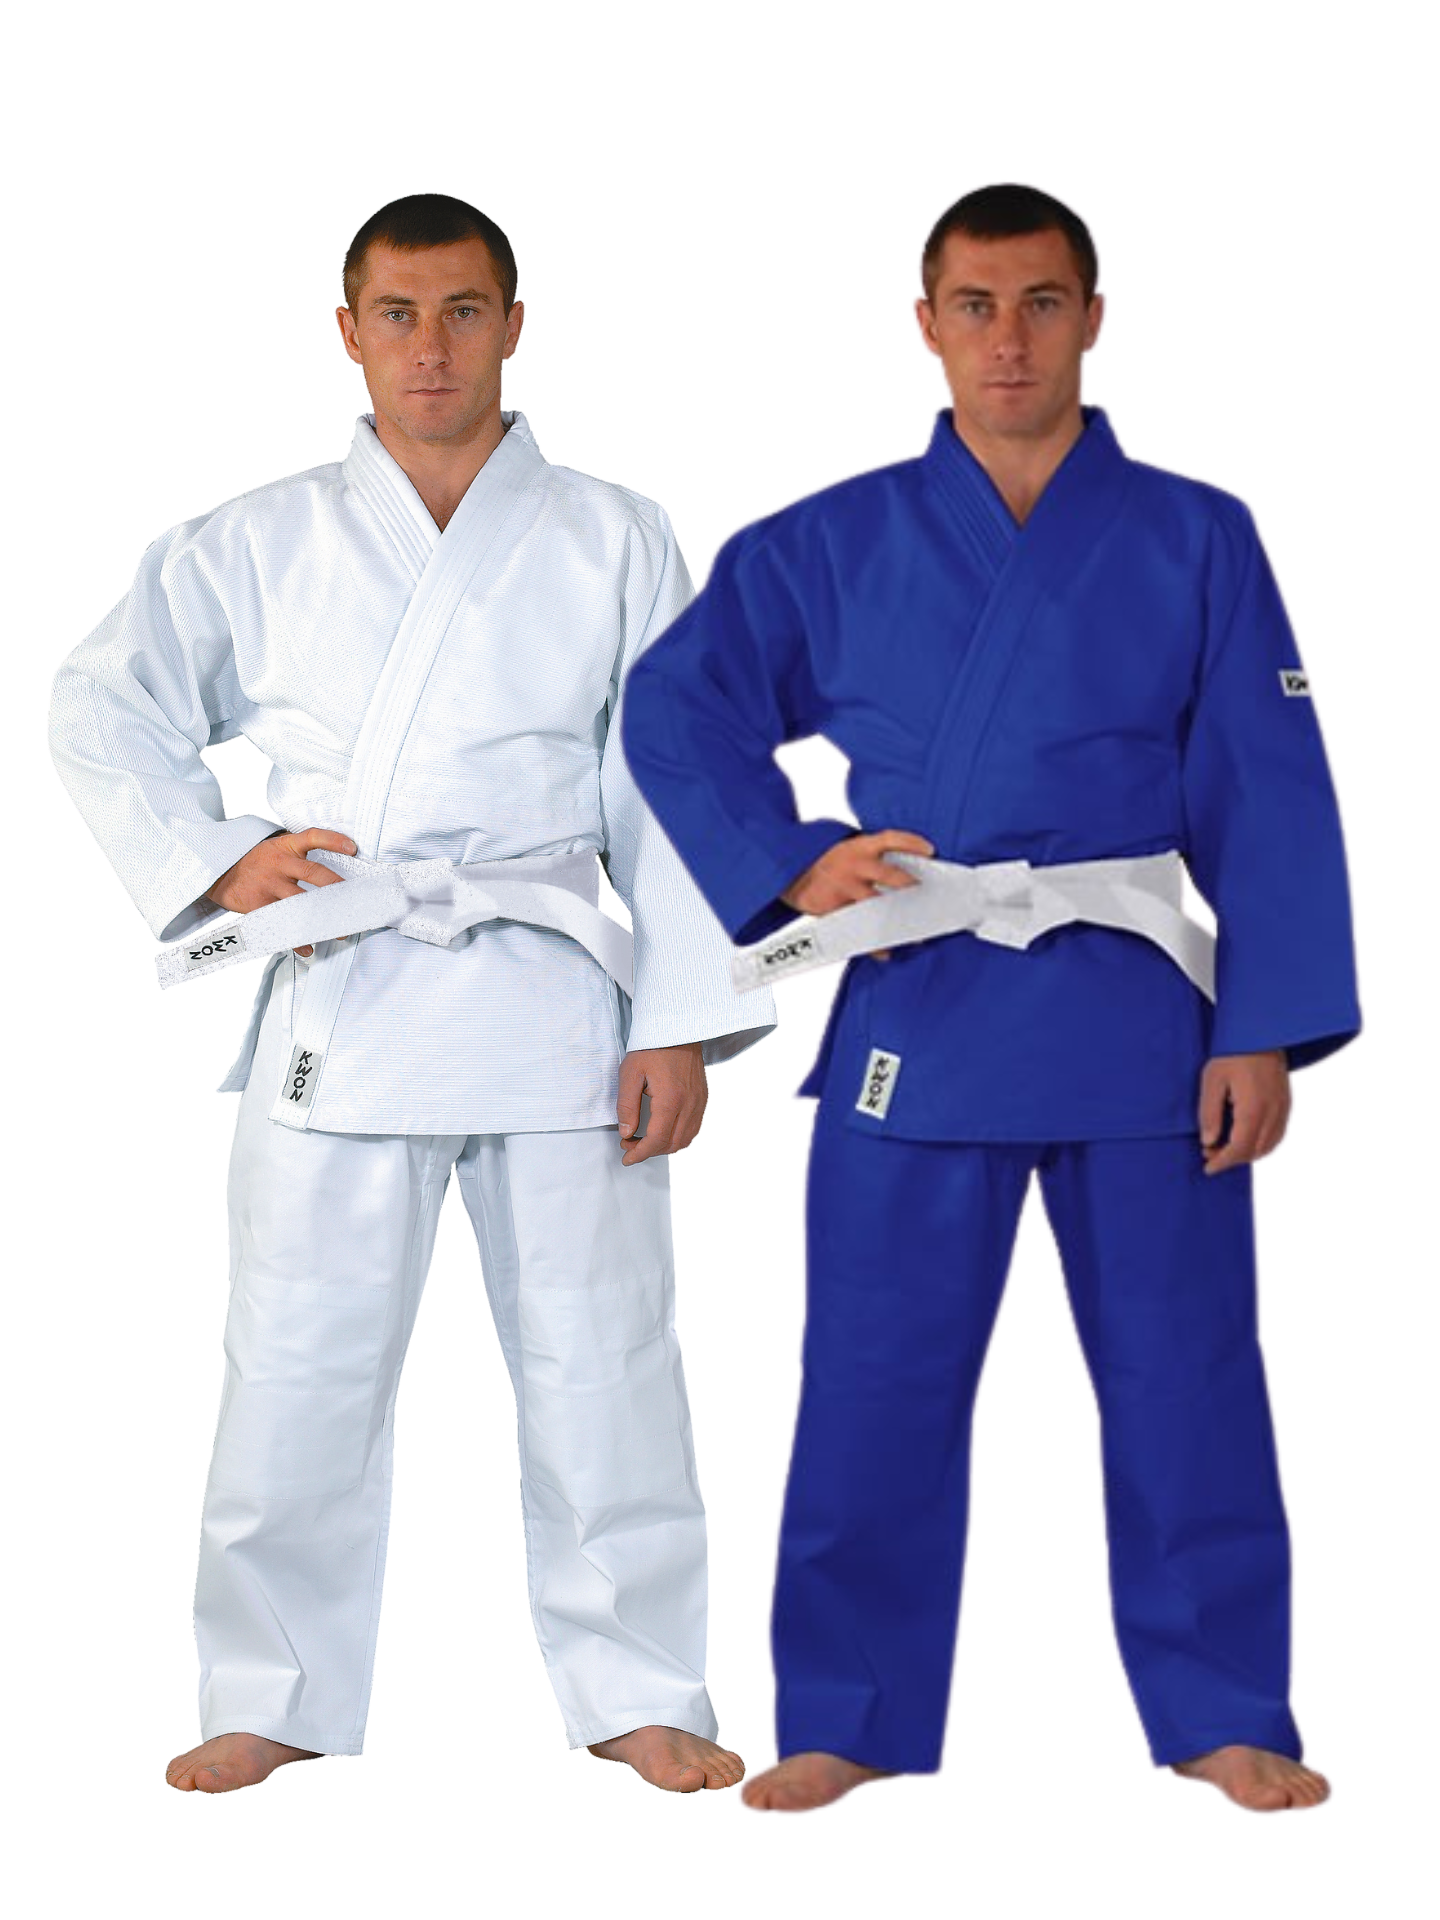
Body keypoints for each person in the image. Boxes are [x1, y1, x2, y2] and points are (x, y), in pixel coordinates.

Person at [619, 184, 1358, 1814]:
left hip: (1137, 1017)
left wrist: (1261, 1024)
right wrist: (790, 861)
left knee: (1187, 1379)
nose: (1007, 337)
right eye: (975, 304)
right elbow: (673, 706)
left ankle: (1226, 1705)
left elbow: (1269, 784)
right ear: (927, 324)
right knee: (874, 1380)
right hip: (922, 1004)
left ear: (1092, 317)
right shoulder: (832, 541)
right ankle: (849, 1711)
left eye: (1039, 302)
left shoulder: (1195, 535)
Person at [49, 193, 772, 1797]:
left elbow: (679, 783)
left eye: (461, 311)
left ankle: (639, 1686)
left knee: (607, 1362)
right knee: (296, 1365)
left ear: (514, 324)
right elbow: (99, 706)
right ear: (348, 331)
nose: (429, 346)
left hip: (555, 1001)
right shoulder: (253, 541)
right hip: (344, 991)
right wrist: (218, 858)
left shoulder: (614, 534)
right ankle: (274, 1687)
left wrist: (679, 1016)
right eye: (397, 313)